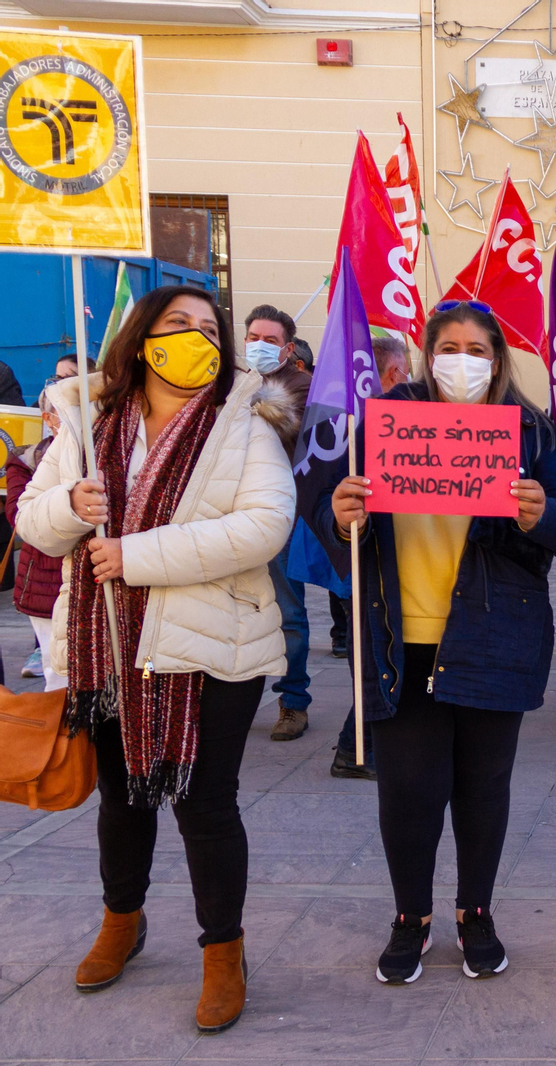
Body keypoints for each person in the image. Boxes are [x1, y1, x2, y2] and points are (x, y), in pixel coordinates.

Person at [17, 285, 296, 1033]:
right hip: (109, 644)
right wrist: (71, 508)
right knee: (123, 798)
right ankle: (121, 920)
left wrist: (133, 555)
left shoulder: (245, 424)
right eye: (180, 325)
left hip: (214, 648)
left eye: (210, 329)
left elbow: (265, 526)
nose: (197, 339)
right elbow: (33, 524)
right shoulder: (84, 421)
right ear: (143, 339)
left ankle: (223, 952)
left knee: (205, 805)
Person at [316, 301, 556, 985]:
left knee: (483, 788)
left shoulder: (530, 430)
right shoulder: (381, 423)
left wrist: (538, 514)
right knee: (409, 790)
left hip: (495, 631)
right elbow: (331, 512)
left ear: (496, 359)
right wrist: (338, 512)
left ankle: (476, 913)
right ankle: (411, 917)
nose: (462, 360)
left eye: (477, 349)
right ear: (427, 351)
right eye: (450, 346)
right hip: (401, 639)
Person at [326, 334, 413, 780]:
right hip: (363, 569)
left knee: (375, 660)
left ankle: (356, 749)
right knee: (376, 661)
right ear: (397, 374)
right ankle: (354, 751)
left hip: (357, 569)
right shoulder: (361, 429)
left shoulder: (341, 421)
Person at [243, 304, 315, 742]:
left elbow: (295, 430)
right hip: (234, 511)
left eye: (269, 340)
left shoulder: (303, 385)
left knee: (288, 613)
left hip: (281, 514)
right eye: (253, 337)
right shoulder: (232, 383)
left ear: (288, 348)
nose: (259, 346)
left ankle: (293, 703)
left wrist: (252, 404)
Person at [7, 391, 65, 689]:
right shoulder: (27, 460)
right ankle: (59, 735)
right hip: (45, 581)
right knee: (58, 673)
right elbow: (19, 516)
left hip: (96, 580)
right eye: (63, 411)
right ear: (47, 418)